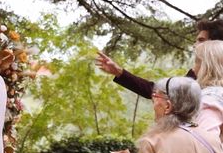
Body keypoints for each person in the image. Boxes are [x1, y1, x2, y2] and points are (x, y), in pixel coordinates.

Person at [95, 18, 223, 99]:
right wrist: (119, 72)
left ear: (216, 44)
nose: (195, 45)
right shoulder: (194, 75)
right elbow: (158, 92)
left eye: (201, 40)